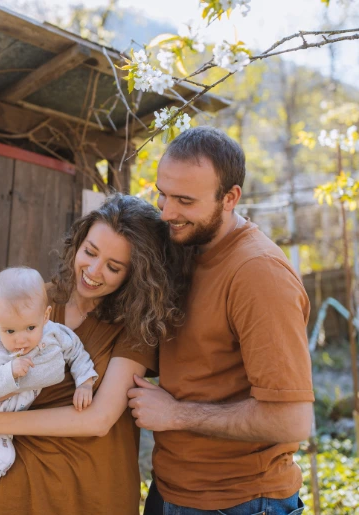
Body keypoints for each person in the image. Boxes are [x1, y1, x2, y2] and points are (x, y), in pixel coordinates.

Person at [0, 193, 183, 515]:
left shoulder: (135, 326)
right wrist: (12, 377)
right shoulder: (35, 302)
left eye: (113, 266)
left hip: (92, 490)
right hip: (16, 486)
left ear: (134, 273)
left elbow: (98, 419)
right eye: (90, 252)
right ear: (78, 243)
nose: (93, 271)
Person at [128, 126, 315, 515]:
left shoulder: (258, 273)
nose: (166, 212)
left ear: (230, 198)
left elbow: (292, 420)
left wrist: (175, 413)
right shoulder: (187, 245)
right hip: (172, 489)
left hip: (240, 502)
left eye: (184, 200)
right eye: (161, 194)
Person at [0, 267, 98, 515]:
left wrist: (85, 382)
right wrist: (8, 373)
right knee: (1, 460)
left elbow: (77, 353)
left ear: (46, 315)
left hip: (12, 420)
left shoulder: (54, 333)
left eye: (30, 328)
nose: (21, 339)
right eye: (10, 331)